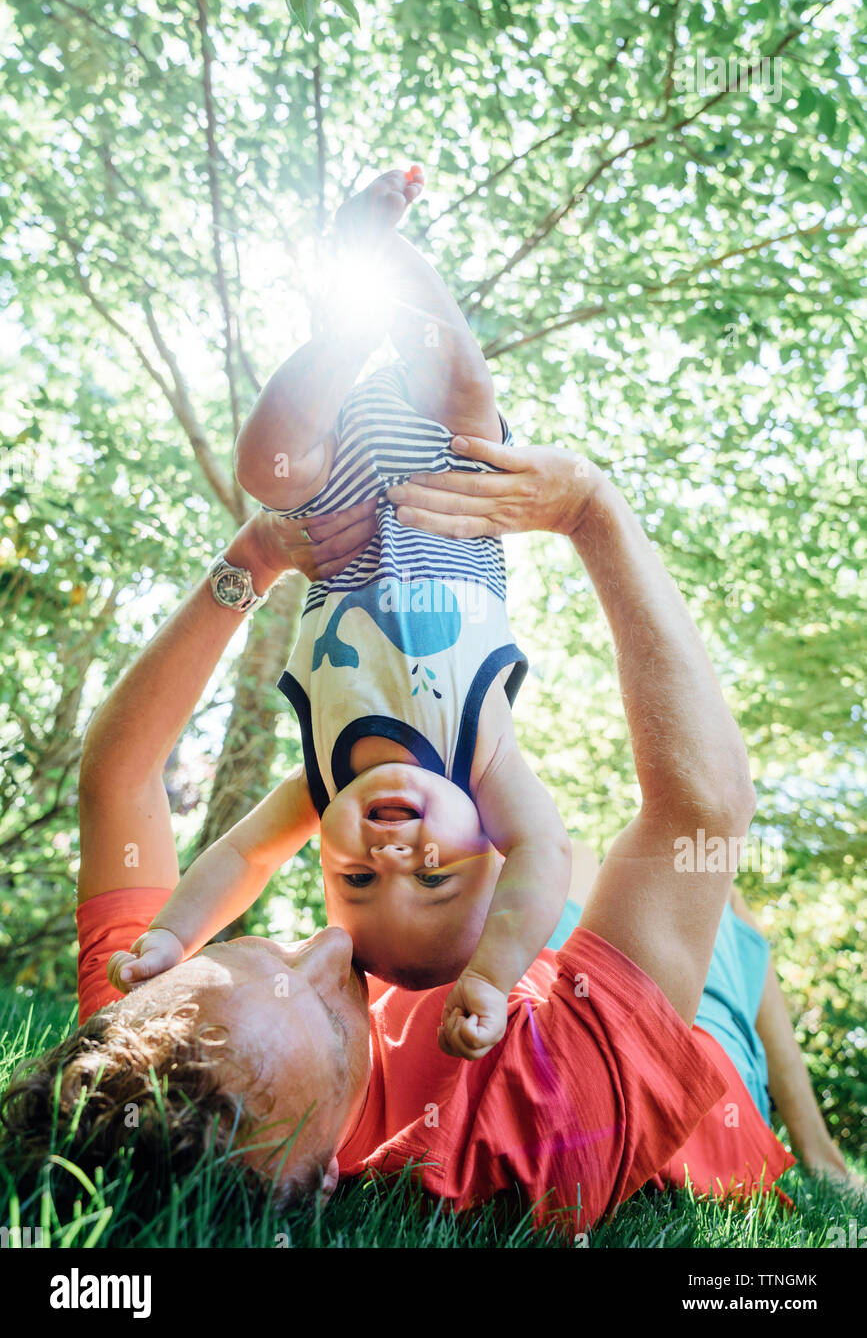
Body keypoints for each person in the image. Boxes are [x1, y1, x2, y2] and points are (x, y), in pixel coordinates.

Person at [2, 442, 853, 1230]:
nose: (335, 946)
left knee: (561, 874)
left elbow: (118, 774)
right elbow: (701, 808)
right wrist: (592, 511)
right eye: (337, 1025)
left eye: (263, 950)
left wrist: (254, 561)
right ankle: (813, 1145)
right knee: (715, 902)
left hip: (489, 959)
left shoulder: (152, 1034)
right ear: (321, 1176)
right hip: (691, 1095)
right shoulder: (541, 1126)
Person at [108, 167, 572, 1062]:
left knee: (266, 468)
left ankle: (342, 332)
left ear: (323, 852)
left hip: (335, 510)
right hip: (450, 479)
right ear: (483, 842)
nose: (395, 856)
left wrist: (172, 939)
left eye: (357, 877)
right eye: (438, 876)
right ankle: (384, 258)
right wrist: (491, 975)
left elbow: (241, 861)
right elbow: (546, 853)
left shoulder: (321, 784)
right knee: (462, 382)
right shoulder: (483, 764)